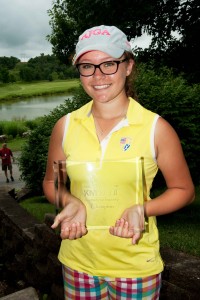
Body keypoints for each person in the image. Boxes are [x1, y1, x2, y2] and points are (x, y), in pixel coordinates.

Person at [43, 25, 195, 299]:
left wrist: (143, 210)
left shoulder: (156, 129)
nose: (98, 75)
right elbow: (53, 182)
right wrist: (69, 202)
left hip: (136, 265)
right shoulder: (64, 127)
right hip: (78, 262)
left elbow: (183, 190)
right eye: (87, 66)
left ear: (128, 66)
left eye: (109, 64)